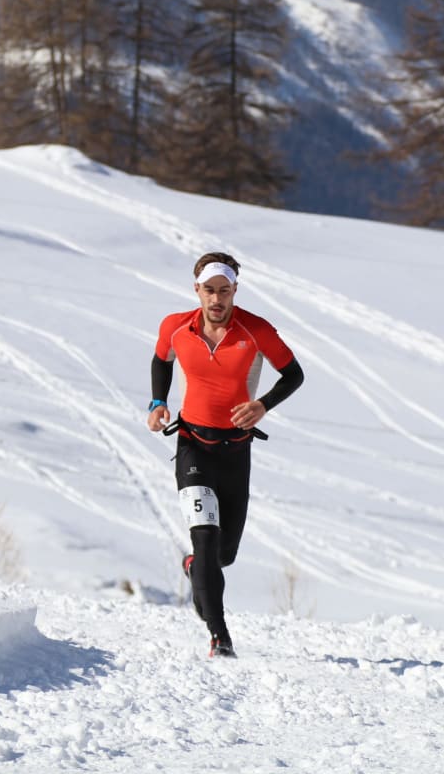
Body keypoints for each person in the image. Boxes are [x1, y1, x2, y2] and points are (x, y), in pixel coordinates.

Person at [147, 252, 304, 658]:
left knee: (223, 555)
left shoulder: (256, 330)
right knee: (205, 535)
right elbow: (161, 359)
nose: (216, 299)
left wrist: (263, 405)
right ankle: (220, 637)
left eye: (224, 291)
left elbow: (294, 374)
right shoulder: (175, 326)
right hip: (193, 445)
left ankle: (195, 566)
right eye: (209, 291)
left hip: (236, 451)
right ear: (196, 290)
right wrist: (157, 402)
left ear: (235, 290)